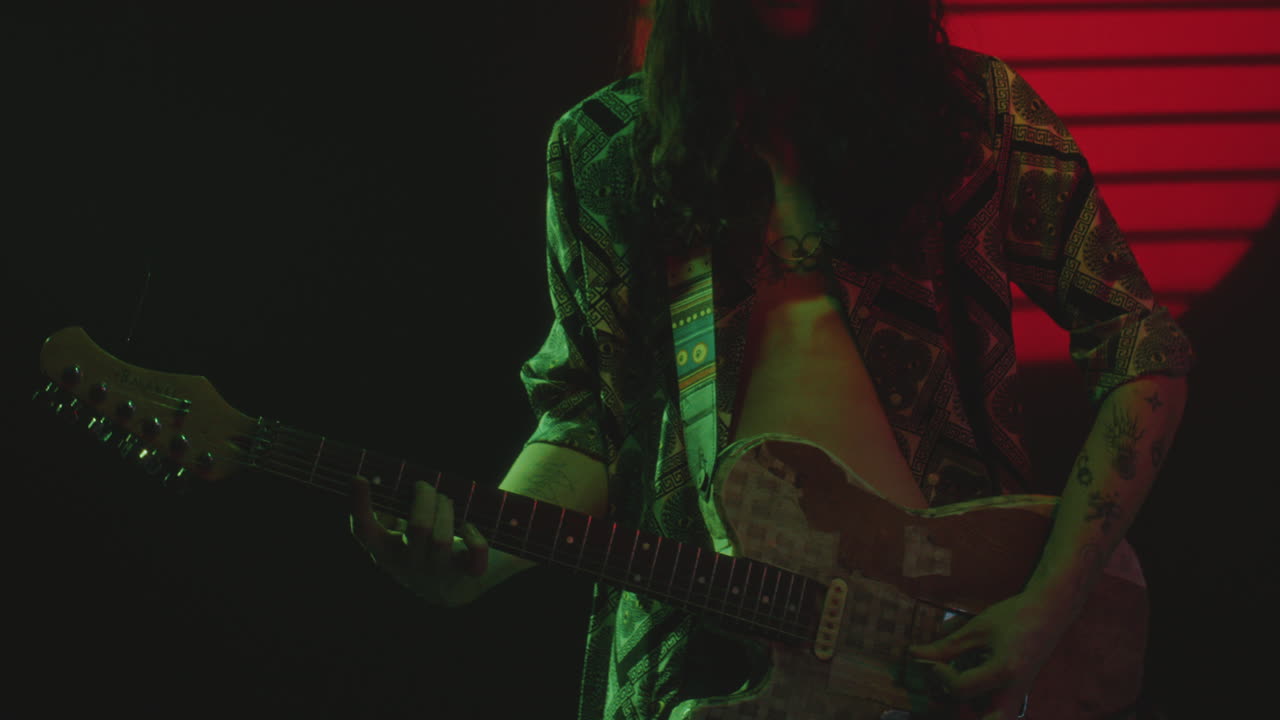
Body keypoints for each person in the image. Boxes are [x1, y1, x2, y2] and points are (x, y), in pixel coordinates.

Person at [350, 1, 1194, 718]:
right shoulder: (604, 151)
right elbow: (590, 424)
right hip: (700, 671)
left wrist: (1049, 601)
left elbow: (1142, 350)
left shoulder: (976, 115)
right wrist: (484, 555)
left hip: (941, 652)